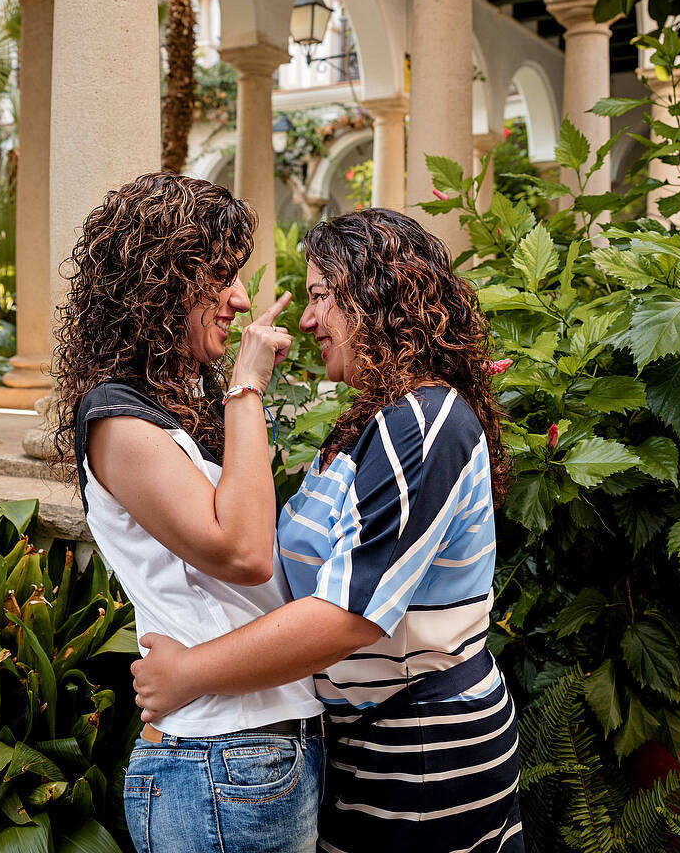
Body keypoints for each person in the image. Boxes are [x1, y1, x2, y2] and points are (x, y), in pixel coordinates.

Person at [131, 207, 523, 852]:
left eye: (321, 296)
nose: (308, 320)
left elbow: (349, 614)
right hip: (372, 744)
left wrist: (191, 674)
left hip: (423, 753)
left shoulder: (424, 422)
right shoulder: (376, 422)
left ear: (376, 295)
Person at [53, 171, 326, 853]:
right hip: (217, 759)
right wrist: (245, 386)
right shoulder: (116, 419)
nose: (238, 298)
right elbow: (242, 551)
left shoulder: (179, 410)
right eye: (222, 276)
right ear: (160, 281)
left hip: (258, 751)